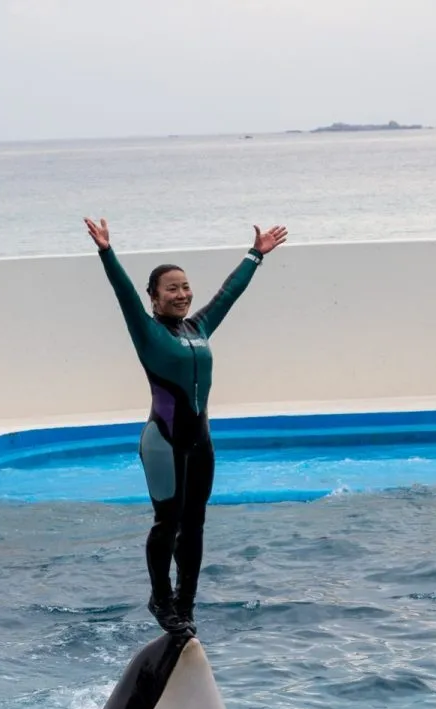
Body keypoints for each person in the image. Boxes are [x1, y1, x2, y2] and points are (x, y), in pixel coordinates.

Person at [84, 216, 288, 636]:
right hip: (163, 442)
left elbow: (228, 295)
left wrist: (256, 254)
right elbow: (123, 292)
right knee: (168, 522)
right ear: (155, 299)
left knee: (194, 524)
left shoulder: (199, 327)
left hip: (200, 443)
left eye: (184, 287)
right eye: (171, 289)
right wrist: (107, 251)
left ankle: (186, 604)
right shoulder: (148, 332)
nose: (182, 294)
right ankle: (161, 598)